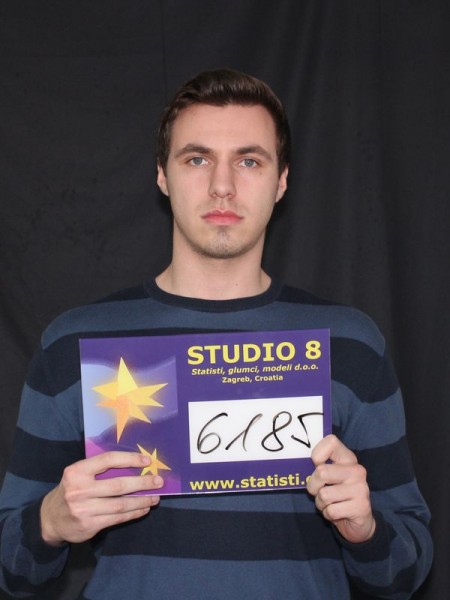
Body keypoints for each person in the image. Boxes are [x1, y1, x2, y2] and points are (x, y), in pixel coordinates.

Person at [0, 68, 432, 599]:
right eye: (197, 159)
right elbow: (10, 569)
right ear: (163, 176)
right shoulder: (76, 344)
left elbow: (406, 573)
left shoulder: (349, 344)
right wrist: (49, 522)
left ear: (281, 181)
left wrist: (365, 531)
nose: (221, 185)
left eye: (249, 161)